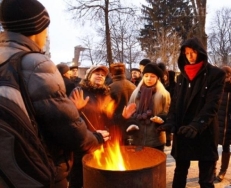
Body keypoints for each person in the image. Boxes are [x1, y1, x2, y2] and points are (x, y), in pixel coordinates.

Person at [0, 0, 109, 187]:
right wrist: (96, 138)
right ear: (37, 29)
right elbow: (68, 128)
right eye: (46, 30)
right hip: (38, 170)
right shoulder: (36, 65)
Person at [157, 37, 225, 188]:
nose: (190, 56)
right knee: (180, 173)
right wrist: (170, 122)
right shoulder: (182, 77)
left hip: (204, 131)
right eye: (187, 53)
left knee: (205, 180)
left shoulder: (216, 74)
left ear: (200, 52)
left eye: (193, 52)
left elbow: (212, 105)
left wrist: (196, 125)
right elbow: (176, 103)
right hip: (183, 131)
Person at [125, 63, 171, 151]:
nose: (149, 79)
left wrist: (161, 119)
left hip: (156, 138)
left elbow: (168, 113)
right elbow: (130, 113)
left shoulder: (163, 94)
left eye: (152, 76)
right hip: (138, 138)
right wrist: (131, 122)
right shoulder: (135, 93)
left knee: (155, 163)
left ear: (157, 78)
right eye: (146, 76)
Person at [109, 63, 136, 143]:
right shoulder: (133, 86)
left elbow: (108, 111)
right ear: (124, 72)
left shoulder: (110, 88)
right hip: (131, 126)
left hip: (116, 127)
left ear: (111, 74)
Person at [161, 69, 176, 147]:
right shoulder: (164, 85)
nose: (164, 77)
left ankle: (168, 140)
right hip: (165, 105)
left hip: (170, 105)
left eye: (166, 75)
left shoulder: (173, 86)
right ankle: (166, 139)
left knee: (168, 123)